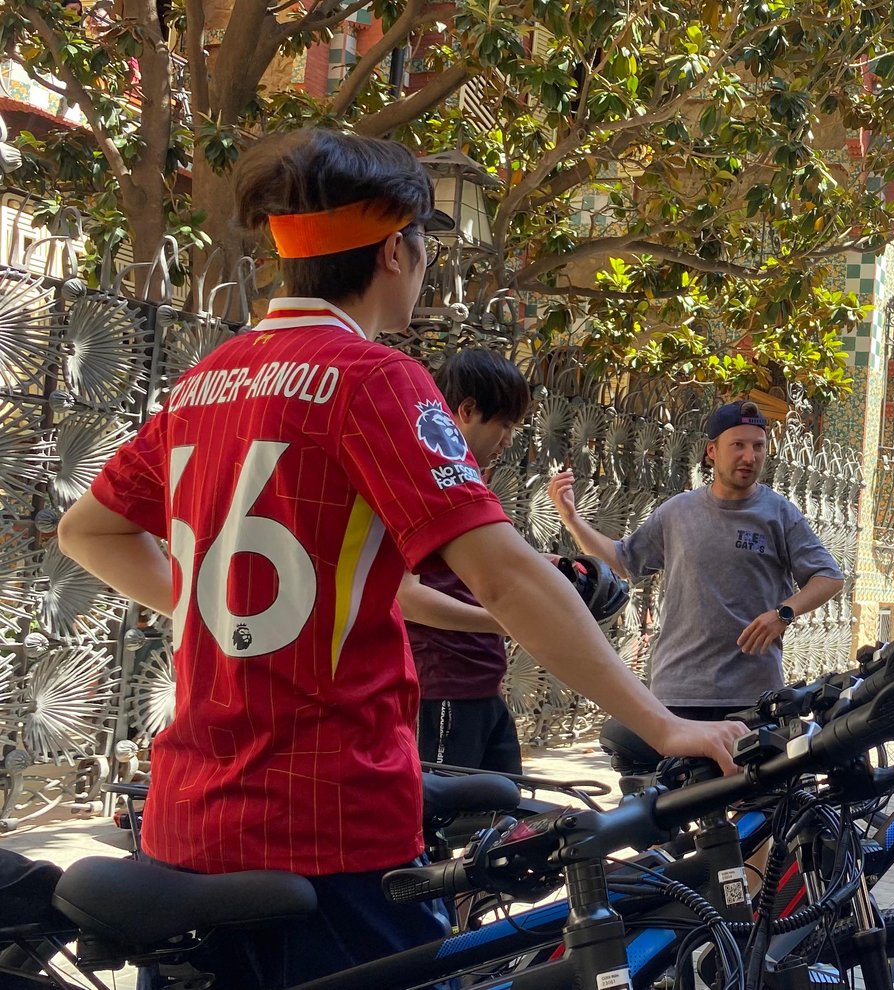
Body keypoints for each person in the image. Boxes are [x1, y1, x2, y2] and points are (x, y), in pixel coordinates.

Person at [56, 128, 744, 989]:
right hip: (330, 831)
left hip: (184, 824)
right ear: (394, 251)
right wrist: (664, 725)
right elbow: (507, 576)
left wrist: (214, 608)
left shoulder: (205, 381)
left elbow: (87, 532)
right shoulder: (373, 378)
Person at [548, 400, 845, 719]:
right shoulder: (677, 512)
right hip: (677, 692)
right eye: (738, 445)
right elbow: (621, 561)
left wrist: (783, 613)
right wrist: (572, 519)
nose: (750, 457)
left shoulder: (779, 514)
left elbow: (829, 577)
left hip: (752, 697)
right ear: (712, 451)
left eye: (758, 446)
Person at [397, 347, 530, 774]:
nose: (509, 439)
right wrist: (503, 622)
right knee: (444, 810)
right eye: (504, 424)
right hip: (442, 689)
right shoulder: (416, 480)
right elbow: (407, 597)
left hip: (484, 687)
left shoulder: (469, 484)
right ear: (467, 411)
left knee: (507, 808)